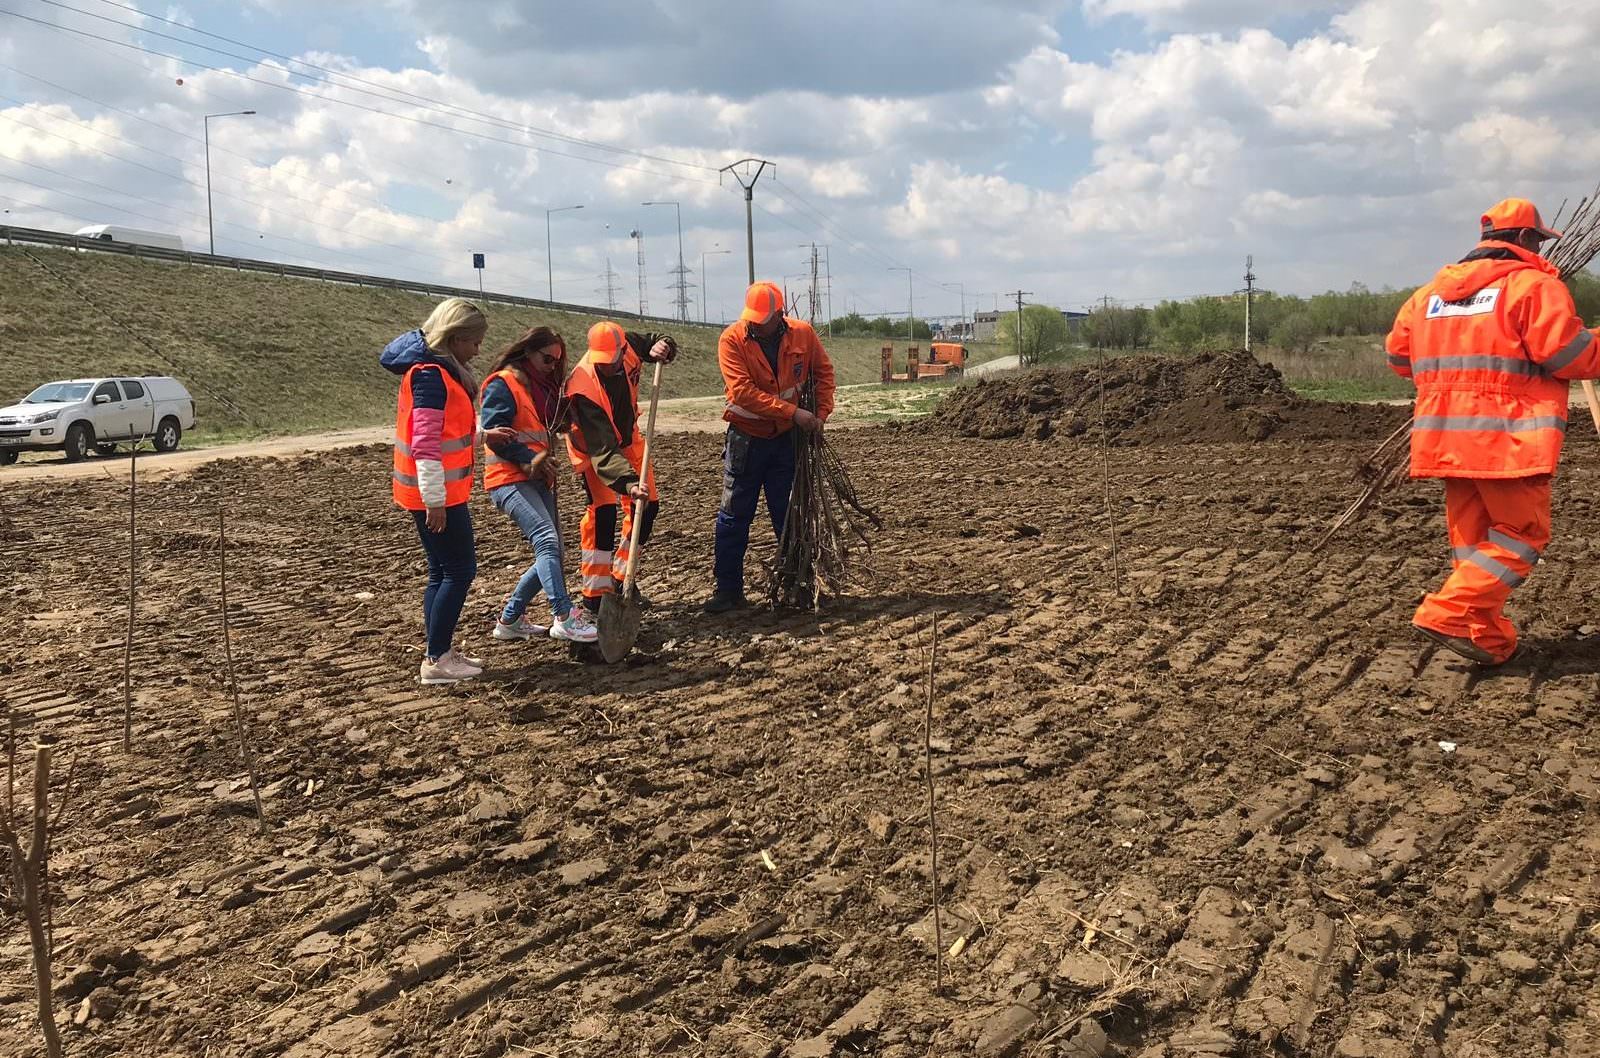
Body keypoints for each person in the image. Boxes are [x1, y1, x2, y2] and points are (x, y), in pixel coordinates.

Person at [1386, 197, 1600, 665]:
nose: (1541, 248)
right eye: (1539, 239)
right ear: (1525, 238)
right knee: (1522, 535)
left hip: (1446, 440)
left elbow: (1399, 359)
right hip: (1508, 439)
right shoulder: (1534, 287)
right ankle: (1446, 612)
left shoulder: (1427, 296)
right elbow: (1570, 356)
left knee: (1477, 544)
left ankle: (1486, 637)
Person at [705, 281, 836, 613]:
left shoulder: (803, 335)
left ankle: (797, 585)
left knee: (789, 514)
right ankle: (729, 591)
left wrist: (820, 415)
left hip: (785, 442)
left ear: (780, 314)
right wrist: (796, 414)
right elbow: (742, 393)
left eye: (764, 318)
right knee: (734, 516)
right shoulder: (732, 339)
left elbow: (823, 374)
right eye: (753, 318)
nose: (757, 324)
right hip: (746, 439)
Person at [381, 297, 492, 685]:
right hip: (437, 493)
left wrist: (482, 435)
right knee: (460, 571)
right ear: (454, 338)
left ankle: (439, 650)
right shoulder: (431, 376)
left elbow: (447, 432)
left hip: (439, 490)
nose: (478, 350)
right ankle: (438, 659)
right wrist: (435, 501)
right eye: (474, 342)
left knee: (441, 571)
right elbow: (425, 443)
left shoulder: (440, 372)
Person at [479, 326, 598, 645]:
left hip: (537, 478)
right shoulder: (503, 384)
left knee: (554, 551)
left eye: (557, 363)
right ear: (528, 352)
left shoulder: (542, 389)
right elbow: (498, 437)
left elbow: (544, 426)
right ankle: (563, 615)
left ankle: (510, 620)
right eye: (547, 359)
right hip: (508, 479)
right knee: (546, 541)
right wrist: (530, 459)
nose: (552, 367)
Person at [564, 321, 677, 613]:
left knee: (648, 507)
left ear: (622, 349)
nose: (607, 367)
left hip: (628, 439)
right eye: (600, 362)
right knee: (603, 514)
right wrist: (628, 483)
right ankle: (594, 596)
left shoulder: (628, 345)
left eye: (611, 361)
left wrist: (663, 346)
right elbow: (602, 450)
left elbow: (655, 341)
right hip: (593, 450)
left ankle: (621, 577)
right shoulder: (582, 386)